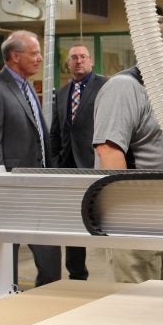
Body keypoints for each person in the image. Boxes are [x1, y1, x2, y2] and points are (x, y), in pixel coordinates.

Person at [92, 19, 163, 283]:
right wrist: (127, 219)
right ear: (152, 51)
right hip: (138, 219)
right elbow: (109, 152)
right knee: (139, 305)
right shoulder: (124, 88)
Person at [0, 30, 61, 287]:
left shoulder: (27, 87)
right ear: (14, 56)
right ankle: (7, 302)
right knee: (6, 256)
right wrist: (1, 187)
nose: (39, 59)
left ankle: (47, 300)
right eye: (34, 53)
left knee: (50, 255)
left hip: (40, 186)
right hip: (12, 189)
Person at [50, 43, 107, 280]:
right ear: (68, 63)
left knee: (102, 217)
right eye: (74, 57)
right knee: (72, 221)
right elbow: (56, 130)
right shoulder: (62, 93)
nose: (79, 61)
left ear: (91, 61)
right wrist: (54, 162)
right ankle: (76, 272)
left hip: (94, 164)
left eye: (83, 57)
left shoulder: (105, 86)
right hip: (67, 167)